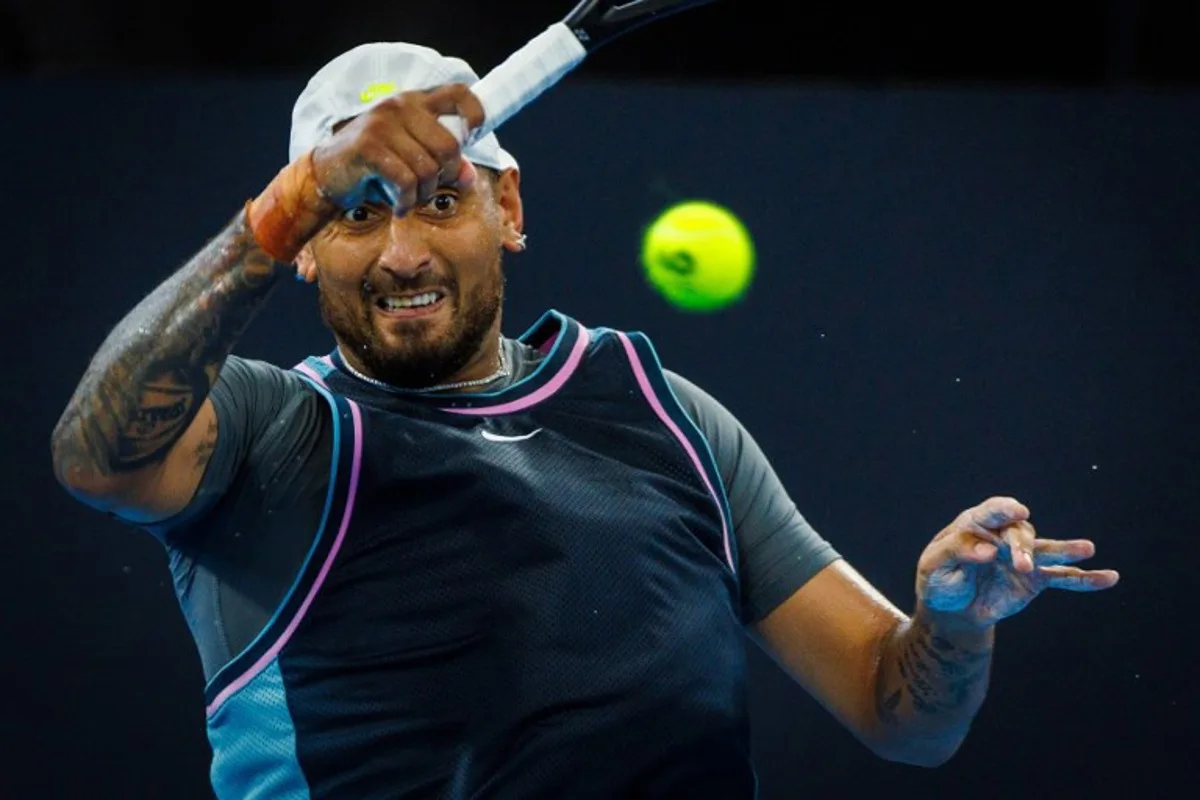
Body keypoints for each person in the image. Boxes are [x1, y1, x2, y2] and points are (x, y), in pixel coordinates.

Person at [49, 42, 1119, 800]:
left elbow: (903, 713)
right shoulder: (266, 430)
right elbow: (93, 455)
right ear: (308, 249)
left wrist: (956, 627)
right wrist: (286, 198)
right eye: (354, 212)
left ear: (506, 210)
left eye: (439, 199)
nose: (403, 252)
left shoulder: (663, 410)